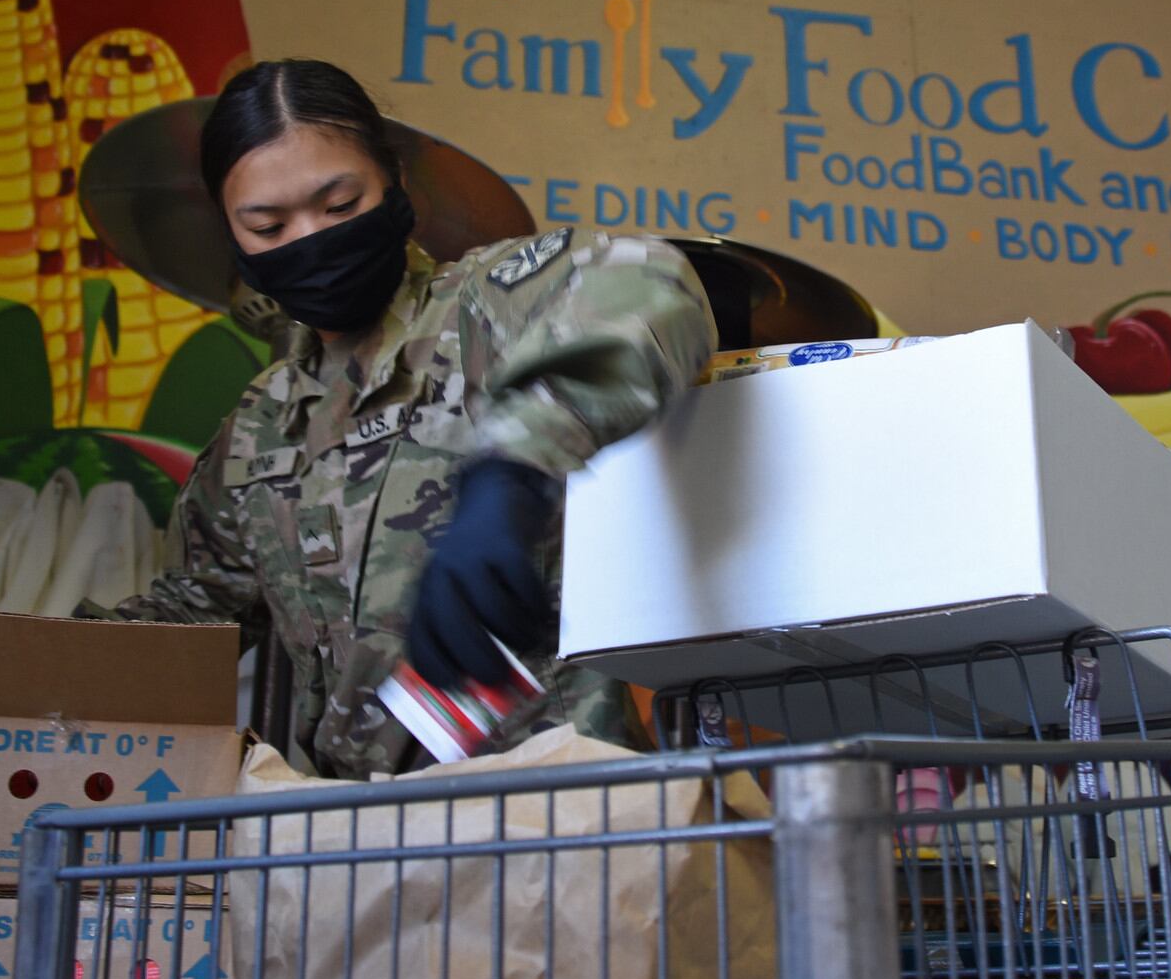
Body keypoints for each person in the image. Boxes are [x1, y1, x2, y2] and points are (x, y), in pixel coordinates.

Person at [89, 59, 716, 779]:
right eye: (268, 224)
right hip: (363, 843)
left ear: (394, 183)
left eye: (339, 204)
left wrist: (513, 473)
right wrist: (18, 663)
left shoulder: (485, 306)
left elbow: (650, 282)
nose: (308, 238)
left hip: (556, 812)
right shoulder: (258, 431)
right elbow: (198, 609)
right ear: (232, 237)